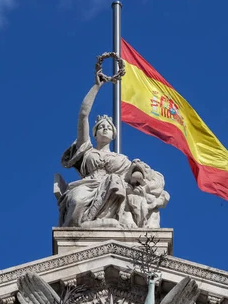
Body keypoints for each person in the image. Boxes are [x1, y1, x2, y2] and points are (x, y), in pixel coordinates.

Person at [58, 72, 169, 229]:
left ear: (113, 135)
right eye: (101, 127)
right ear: (94, 133)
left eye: (108, 127)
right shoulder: (87, 150)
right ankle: (88, 223)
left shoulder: (122, 160)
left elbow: (135, 178)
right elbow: (83, 114)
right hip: (89, 185)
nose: (105, 128)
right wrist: (97, 86)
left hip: (114, 189)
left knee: (119, 186)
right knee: (77, 200)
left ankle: (107, 221)